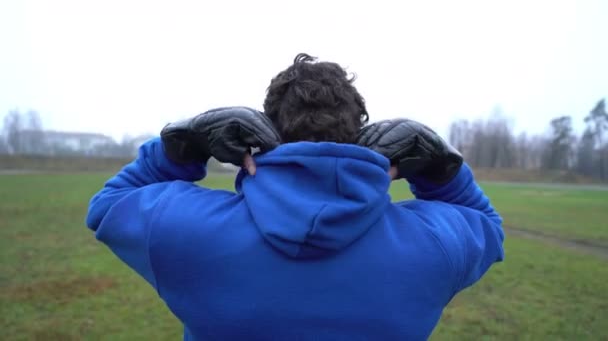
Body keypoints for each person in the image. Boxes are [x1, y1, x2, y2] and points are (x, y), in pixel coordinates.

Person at [86, 53, 504, 341]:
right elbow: (487, 227)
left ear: (264, 130)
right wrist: (440, 169)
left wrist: (185, 144)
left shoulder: (186, 230)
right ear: (358, 133)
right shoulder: (433, 245)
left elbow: (108, 206)